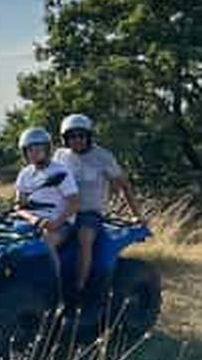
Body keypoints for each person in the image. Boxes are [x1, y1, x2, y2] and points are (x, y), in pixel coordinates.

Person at [53, 113, 144, 297]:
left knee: (85, 239)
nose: (77, 140)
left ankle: (78, 288)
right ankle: (51, 283)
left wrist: (137, 215)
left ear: (89, 136)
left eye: (81, 135)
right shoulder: (60, 156)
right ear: (65, 139)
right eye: (72, 136)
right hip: (64, 210)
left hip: (90, 213)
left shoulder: (103, 157)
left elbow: (124, 184)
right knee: (43, 239)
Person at [14, 127, 80, 273]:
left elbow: (75, 203)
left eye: (38, 148)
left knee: (45, 245)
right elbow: (19, 206)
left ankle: (55, 290)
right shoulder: (25, 173)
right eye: (29, 149)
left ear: (47, 149)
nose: (34, 153)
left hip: (60, 222)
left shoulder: (60, 171)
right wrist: (34, 219)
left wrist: (56, 223)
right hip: (32, 222)